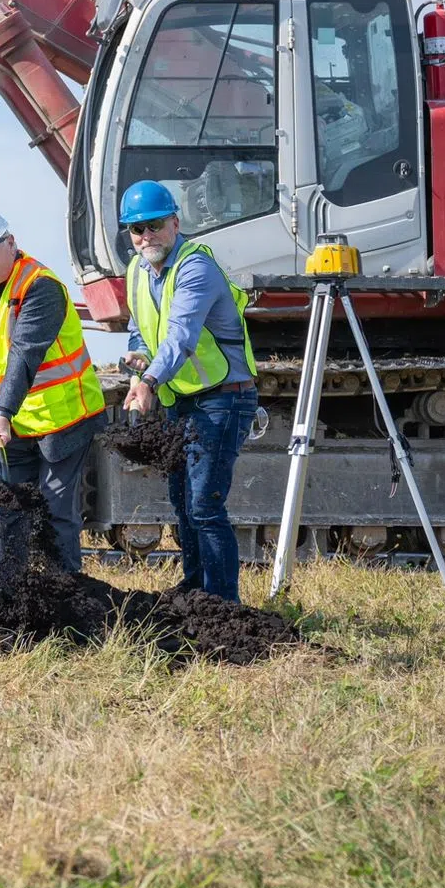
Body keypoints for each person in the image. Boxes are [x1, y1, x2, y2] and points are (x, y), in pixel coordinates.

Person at [118, 179, 258, 601]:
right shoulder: (137, 272)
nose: (146, 236)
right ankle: (196, 589)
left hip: (223, 396)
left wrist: (148, 382)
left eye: (155, 225)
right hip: (182, 397)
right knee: (183, 502)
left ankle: (221, 603)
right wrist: (138, 357)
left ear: (175, 223)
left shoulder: (194, 267)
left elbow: (180, 336)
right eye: (136, 229)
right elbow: (138, 330)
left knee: (204, 504)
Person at [0, 203, 106, 573]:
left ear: (10, 242)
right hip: (18, 421)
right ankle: (12, 595)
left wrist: (2, 412)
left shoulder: (42, 287)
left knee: (55, 512)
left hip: (64, 416)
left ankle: (66, 597)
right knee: (11, 509)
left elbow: (25, 351)